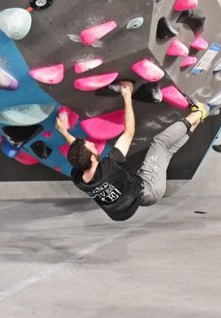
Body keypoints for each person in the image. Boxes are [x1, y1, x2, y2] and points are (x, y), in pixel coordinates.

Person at [57, 80, 209, 221]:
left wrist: (64, 132)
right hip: (149, 186)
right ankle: (199, 112)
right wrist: (127, 96)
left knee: (166, 153)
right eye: (91, 145)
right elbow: (129, 132)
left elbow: (78, 152)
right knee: (160, 143)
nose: (92, 143)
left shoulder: (79, 177)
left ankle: (197, 120)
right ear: (91, 158)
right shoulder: (109, 167)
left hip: (135, 197)